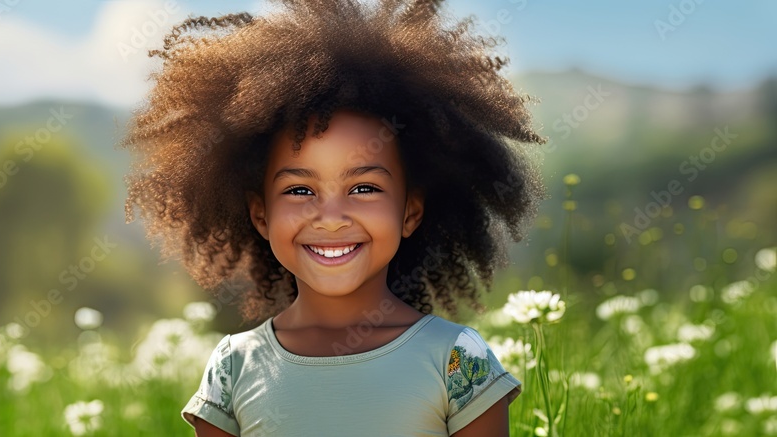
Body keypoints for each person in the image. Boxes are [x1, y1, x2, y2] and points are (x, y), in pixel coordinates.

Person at [119, 0, 547, 435]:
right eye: (300, 190)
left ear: (410, 212)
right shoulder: (232, 369)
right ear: (260, 214)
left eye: (364, 188)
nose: (331, 217)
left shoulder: (458, 359)